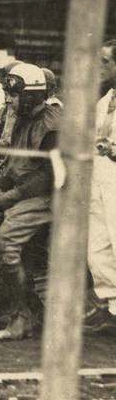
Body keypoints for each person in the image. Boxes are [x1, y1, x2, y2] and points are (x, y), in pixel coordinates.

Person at [0, 62, 58, 341]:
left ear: (30, 96)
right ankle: (34, 310)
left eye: (14, 95)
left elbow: (49, 176)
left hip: (48, 197)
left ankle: (21, 317)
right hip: (26, 192)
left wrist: (10, 196)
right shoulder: (23, 118)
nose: (8, 99)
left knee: (5, 243)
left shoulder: (51, 127)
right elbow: (14, 162)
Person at [87, 41, 116, 332]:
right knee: (97, 247)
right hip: (100, 180)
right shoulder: (103, 102)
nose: (100, 67)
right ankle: (110, 306)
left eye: (106, 61)